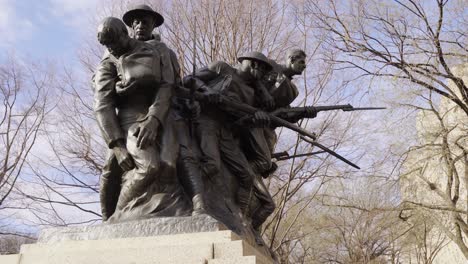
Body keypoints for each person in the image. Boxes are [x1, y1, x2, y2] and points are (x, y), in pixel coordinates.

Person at [94, 17, 190, 221]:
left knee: (170, 165)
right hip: (128, 121)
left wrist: (154, 119)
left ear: (123, 34)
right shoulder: (108, 62)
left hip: (160, 113)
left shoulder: (158, 50)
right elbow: (103, 104)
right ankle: (113, 217)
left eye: (113, 42)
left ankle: (178, 208)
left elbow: (168, 85)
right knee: (130, 167)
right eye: (106, 45)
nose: (111, 48)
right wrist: (117, 146)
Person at [183, 52, 273, 217]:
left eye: (263, 70)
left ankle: (240, 219)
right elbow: (188, 79)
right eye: (260, 67)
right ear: (252, 64)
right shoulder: (221, 67)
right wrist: (207, 91)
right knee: (212, 164)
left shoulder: (249, 93)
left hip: (225, 131)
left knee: (246, 176)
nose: (260, 72)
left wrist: (255, 120)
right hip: (206, 120)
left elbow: (240, 123)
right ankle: (187, 191)